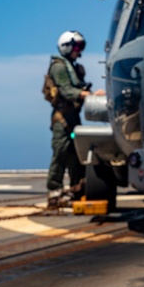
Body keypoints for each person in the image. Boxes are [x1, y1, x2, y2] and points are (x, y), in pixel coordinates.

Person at [46, 30, 104, 208]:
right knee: (61, 152)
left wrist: (92, 94)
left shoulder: (73, 66)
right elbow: (66, 91)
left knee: (75, 153)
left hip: (73, 117)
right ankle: (54, 191)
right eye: (77, 47)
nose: (80, 51)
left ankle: (76, 189)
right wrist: (90, 95)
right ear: (67, 47)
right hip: (62, 118)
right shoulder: (59, 67)